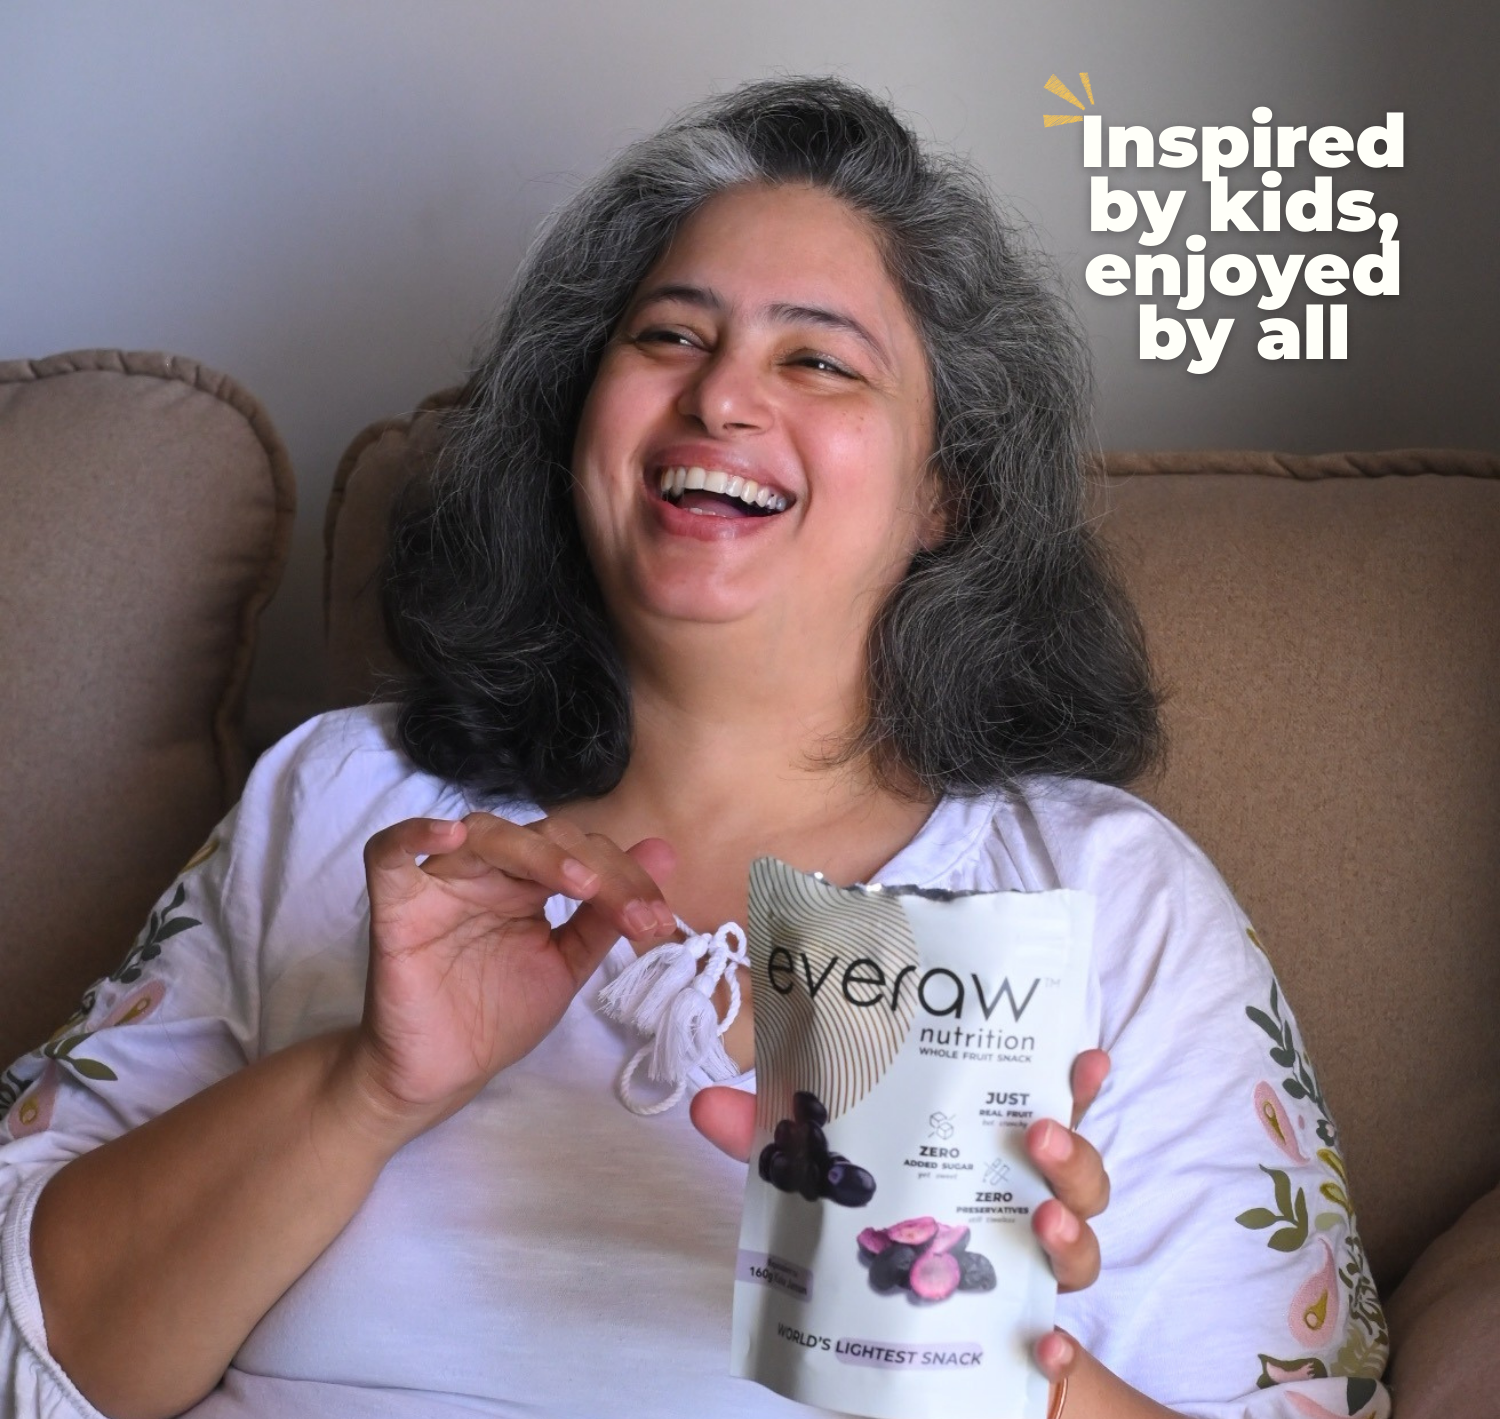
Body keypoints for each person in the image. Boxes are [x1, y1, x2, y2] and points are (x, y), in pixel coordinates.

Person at [0, 78, 1388, 1419]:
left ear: (945, 494)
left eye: (819, 359)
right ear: (575, 425)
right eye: (669, 337)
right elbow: (43, 1352)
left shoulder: (1106, 902)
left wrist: (993, 1372)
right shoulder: (337, 799)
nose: (722, 399)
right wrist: (368, 1088)